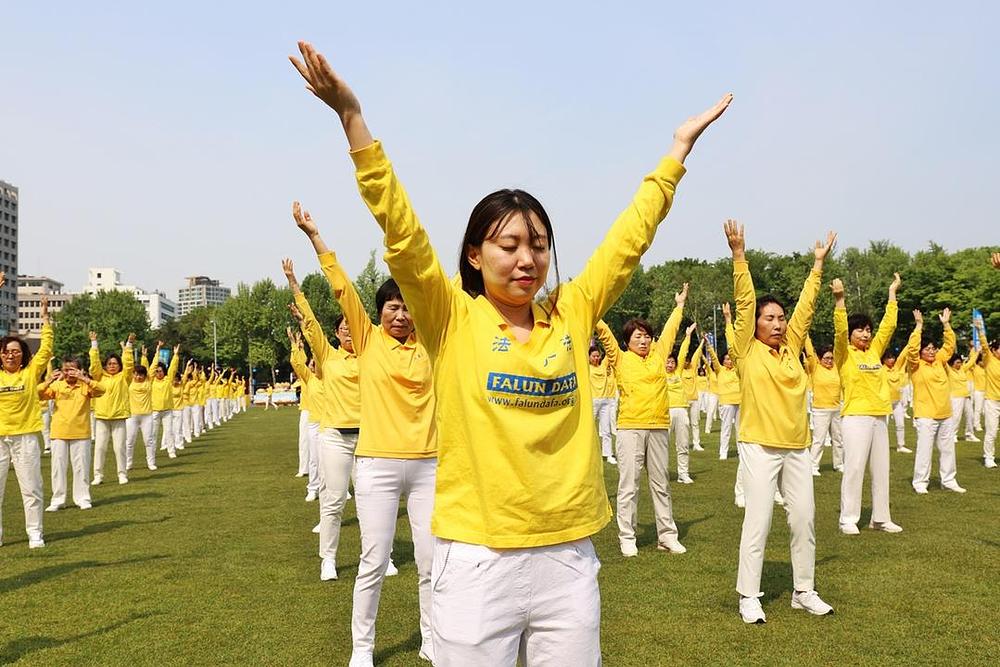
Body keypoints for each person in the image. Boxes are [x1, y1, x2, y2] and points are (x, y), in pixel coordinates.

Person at [289, 39, 730, 666]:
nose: (527, 258)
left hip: (567, 557)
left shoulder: (572, 314)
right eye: (509, 244)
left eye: (540, 245)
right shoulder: (449, 317)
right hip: (476, 559)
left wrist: (676, 154)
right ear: (474, 254)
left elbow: (628, 241)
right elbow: (403, 234)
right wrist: (352, 119)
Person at [292, 201, 437, 664]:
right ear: (379, 313)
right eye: (393, 307)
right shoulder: (369, 338)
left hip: (429, 464)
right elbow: (340, 286)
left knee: (432, 563)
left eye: (407, 308)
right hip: (376, 463)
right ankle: (362, 648)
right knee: (374, 562)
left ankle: (432, 639)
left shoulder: (432, 345)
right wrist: (316, 237)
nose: (401, 316)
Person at [722, 220, 836, 624]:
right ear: (755, 325)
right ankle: (748, 595)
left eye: (780, 318)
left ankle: (803, 590)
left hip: (797, 445)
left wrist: (817, 267)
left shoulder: (790, 348)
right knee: (759, 520)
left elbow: (805, 308)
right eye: (769, 318)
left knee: (803, 518)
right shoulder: (745, 350)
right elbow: (745, 304)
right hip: (758, 444)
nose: (777, 322)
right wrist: (739, 258)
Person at [285, 254, 364, 585]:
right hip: (334, 437)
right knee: (333, 501)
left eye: (351, 325)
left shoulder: (373, 354)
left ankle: (381, 557)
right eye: (342, 326)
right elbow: (311, 323)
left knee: (373, 505)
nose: (347, 329)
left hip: (370, 438)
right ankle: (328, 559)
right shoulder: (328, 356)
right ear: (336, 332)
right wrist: (293, 283)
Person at [596, 282, 689, 557]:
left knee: (661, 484)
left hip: (658, 426)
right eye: (638, 336)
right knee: (629, 484)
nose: (644, 340)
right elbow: (603, 333)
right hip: (630, 428)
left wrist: (680, 306)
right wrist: (590, 310)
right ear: (628, 341)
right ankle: (627, 536)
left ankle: (667, 536)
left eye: (647, 336)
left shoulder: (659, 356)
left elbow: (671, 332)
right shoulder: (620, 358)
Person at [832, 273, 903, 534]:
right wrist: (840, 302)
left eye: (868, 330)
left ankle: (880, 518)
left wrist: (892, 294)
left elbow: (888, 326)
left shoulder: (874, 351)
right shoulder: (844, 354)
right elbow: (839, 334)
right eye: (861, 330)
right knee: (854, 467)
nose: (866, 333)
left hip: (879, 416)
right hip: (855, 417)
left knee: (881, 470)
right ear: (852, 333)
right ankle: (848, 518)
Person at [0, 287, 52, 548]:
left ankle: (35, 533)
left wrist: (44, 318)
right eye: (6, 351)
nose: (11, 355)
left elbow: (46, 348)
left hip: (26, 437)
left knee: (31, 487)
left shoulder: (30, 373)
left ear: (23, 355)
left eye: (16, 351)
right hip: (0, 438)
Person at [907, 309, 966, 493]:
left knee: (948, 450)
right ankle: (920, 483)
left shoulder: (940, 360)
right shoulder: (915, 365)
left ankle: (948, 480)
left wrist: (946, 324)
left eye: (933, 348)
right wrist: (919, 326)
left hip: (945, 413)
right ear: (921, 351)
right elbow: (911, 350)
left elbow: (949, 345)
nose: (932, 351)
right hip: (925, 415)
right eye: (928, 349)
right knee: (924, 451)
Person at [38, 358, 104, 511]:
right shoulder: (57, 386)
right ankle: (57, 500)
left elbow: (102, 390)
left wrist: (83, 378)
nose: (69, 373)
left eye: (72, 369)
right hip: (59, 432)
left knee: (81, 466)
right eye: (66, 370)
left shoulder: (85, 386)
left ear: (79, 370)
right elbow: (37, 394)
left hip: (81, 432)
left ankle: (82, 498)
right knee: (58, 467)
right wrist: (48, 381)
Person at [90, 331, 136, 485]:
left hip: (119, 417)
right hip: (102, 417)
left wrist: (129, 345)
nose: (112, 366)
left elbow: (129, 365)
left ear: (119, 366)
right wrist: (94, 344)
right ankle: (98, 475)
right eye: (109, 364)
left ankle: (122, 474)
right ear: (105, 365)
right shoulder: (99, 376)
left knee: (119, 448)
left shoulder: (124, 377)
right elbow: (94, 365)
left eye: (115, 364)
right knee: (100, 448)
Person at [707, 305, 741, 461]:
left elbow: (733, 346)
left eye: (730, 358)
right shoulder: (720, 370)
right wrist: (708, 344)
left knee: (740, 429)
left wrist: (729, 320)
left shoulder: (738, 369)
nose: (728, 361)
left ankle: (742, 451)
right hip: (726, 402)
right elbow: (713, 357)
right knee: (726, 428)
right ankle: (723, 452)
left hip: (740, 402)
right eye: (726, 359)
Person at [803, 337, 842, 475]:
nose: (829, 361)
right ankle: (813, 466)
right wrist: (805, 332)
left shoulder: (836, 367)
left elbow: (841, 346)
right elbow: (809, 349)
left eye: (831, 358)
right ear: (819, 358)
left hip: (836, 409)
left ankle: (839, 464)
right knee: (819, 439)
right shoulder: (815, 366)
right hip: (820, 409)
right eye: (826, 358)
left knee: (838, 439)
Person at [665, 322, 699, 483]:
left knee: (683, 444)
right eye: (667, 361)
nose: (669, 364)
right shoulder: (659, 373)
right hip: (665, 412)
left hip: (681, 411)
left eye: (672, 362)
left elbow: (683, 353)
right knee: (662, 446)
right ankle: (661, 474)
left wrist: (687, 336)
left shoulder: (678, 372)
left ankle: (683, 473)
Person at [125, 345, 158, 472]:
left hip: (147, 415)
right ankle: (128, 463)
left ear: (145, 375)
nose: (139, 377)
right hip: (132, 416)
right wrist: (127, 349)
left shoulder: (148, 381)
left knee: (148, 440)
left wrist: (157, 351)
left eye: (141, 375)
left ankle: (151, 462)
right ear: (133, 374)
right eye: (136, 374)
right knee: (129, 441)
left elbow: (153, 367)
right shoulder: (129, 382)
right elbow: (127, 366)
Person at [973, 319, 999, 468]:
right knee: (992, 431)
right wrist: (980, 330)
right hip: (992, 401)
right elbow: (984, 345)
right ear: (994, 351)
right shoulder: (989, 359)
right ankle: (989, 457)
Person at [148, 344, 181, 459]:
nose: (159, 373)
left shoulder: (168, 379)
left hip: (167, 410)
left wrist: (175, 355)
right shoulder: (151, 381)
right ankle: (151, 454)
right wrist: (157, 351)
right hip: (155, 411)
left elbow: (173, 368)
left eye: (161, 371)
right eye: (157, 371)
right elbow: (151, 368)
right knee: (153, 434)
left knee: (169, 432)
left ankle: (171, 451)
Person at [588, 341, 618, 465]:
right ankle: (588, 454)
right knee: (589, 429)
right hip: (592, 401)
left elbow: (611, 351)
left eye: (597, 355)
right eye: (593, 356)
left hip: (605, 401)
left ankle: (608, 454)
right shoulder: (586, 367)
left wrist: (605, 340)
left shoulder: (604, 365)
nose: (596, 358)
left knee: (606, 430)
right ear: (588, 357)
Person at [947, 349, 979, 444]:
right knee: (956, 417)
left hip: (966, 396)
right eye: (957, 363)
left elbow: (972, 361)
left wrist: (977, 352)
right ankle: (953, 435)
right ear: (952, 363)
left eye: (960, 362)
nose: (959, 364)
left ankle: (969, 435)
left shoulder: (962, 369)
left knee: (970, 416)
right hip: (955, 397)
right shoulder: (948, 370)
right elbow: (942, 361)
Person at [883, 350, 912, 452]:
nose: (892, 360)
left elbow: (903, 355)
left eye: (893, 358)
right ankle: (882, 447)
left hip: (897, 402)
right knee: (883, 426)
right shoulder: (881, 369)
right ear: (884, 360)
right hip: (885, 402)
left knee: (900, 424)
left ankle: (900, 446)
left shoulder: (897, 368)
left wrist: (910, 343)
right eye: (889, 358)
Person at [682, 335, 705, 452]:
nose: (686, 362)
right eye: (684, 360)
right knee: (685, 424)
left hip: (694, 399)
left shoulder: (693, 368)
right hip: (683, 401)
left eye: (687, 360)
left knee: (695, 423)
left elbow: (697, 353)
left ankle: (696, 443)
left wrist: (702, 342)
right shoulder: (679, 370)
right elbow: (682, 352)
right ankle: (684, 443)